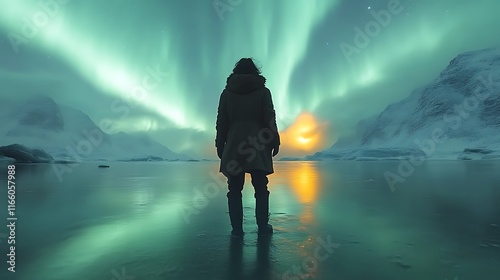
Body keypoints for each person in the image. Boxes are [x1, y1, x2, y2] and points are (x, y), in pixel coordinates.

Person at [215, 58, 280, 237]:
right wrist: (275, 139)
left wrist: (220, 144)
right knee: (261, 186)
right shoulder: (263, 92)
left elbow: (222, 121)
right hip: (258, 143)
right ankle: (263, 228)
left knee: (234, 188)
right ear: (255, 71)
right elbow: (269, 117)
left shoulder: (227, 93)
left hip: (235, 143)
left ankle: (237, 230)